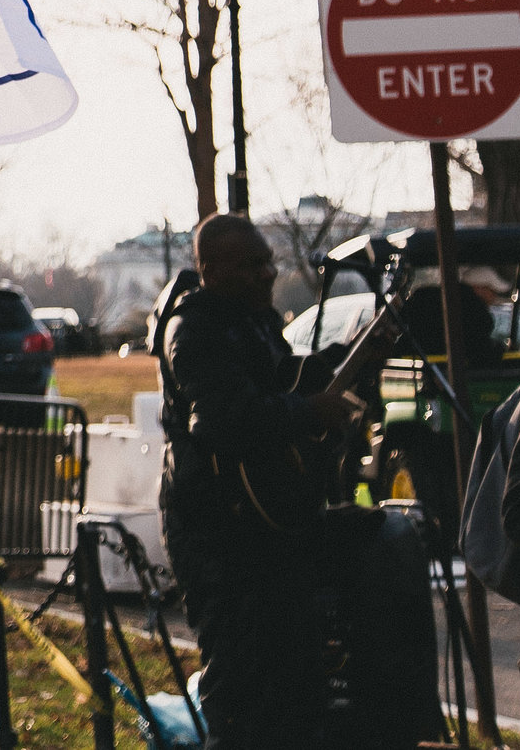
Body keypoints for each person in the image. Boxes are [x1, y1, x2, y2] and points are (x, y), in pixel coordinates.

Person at [159, 213, 361, 750]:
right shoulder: (194, 329)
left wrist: (338, 373)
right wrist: (307, 412)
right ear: (212, 270)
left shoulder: (256, 322)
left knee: (297, 674)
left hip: (268, 523)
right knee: (242, 677)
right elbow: (224, 421)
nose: (268, 273)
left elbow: (282, 385)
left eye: (269, 260)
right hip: (216, 530)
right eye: (252, 265)